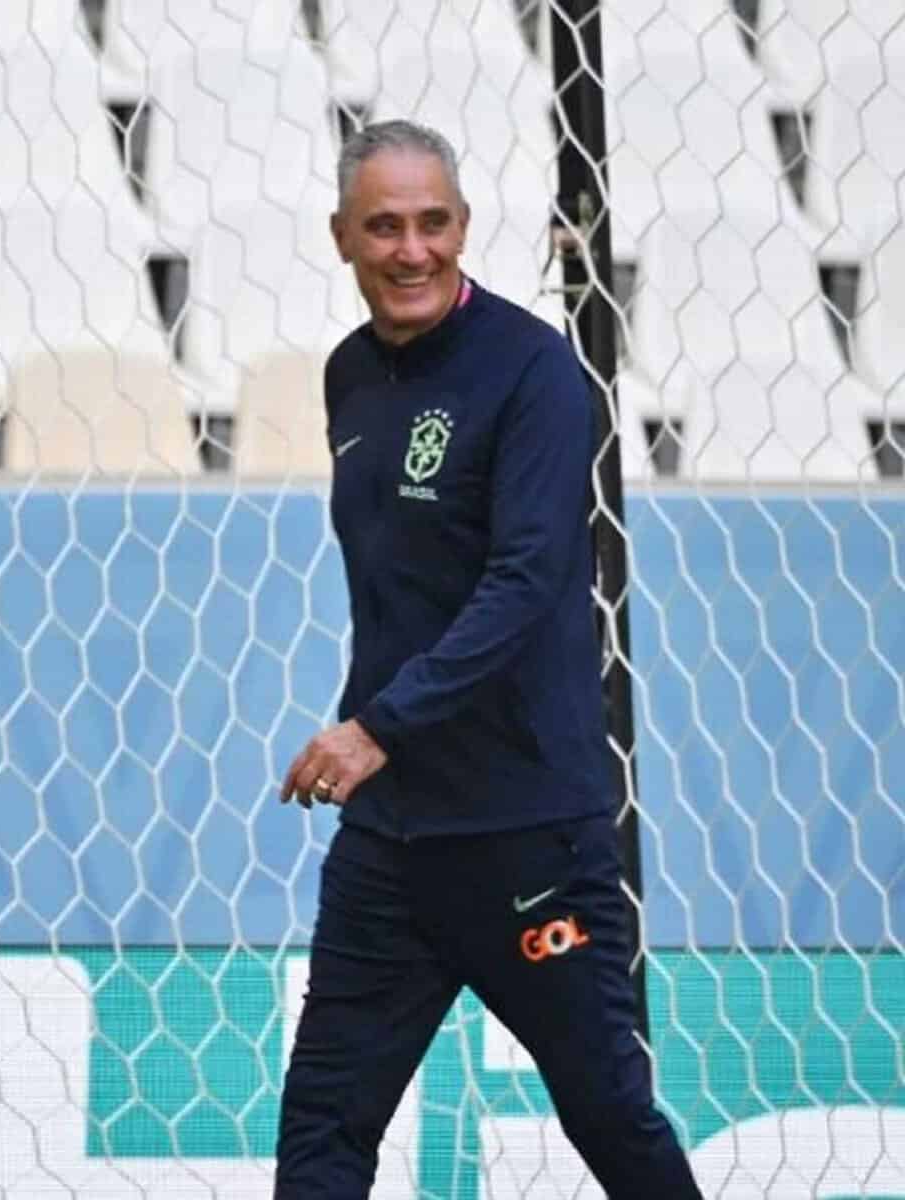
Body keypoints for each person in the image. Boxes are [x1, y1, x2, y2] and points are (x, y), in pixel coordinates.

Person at [272, 120, 702, 1198]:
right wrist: (374, 736)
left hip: (521, 836)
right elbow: (394, 590)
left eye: (430, 224)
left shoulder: (533, 374)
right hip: (389, 843)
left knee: (608, 1115)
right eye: (383, 226)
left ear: (460, 228)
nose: (409, 249)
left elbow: (521, 584)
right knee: (321, 1129)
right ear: (341, 238)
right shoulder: (346, 379)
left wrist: (373, 728)